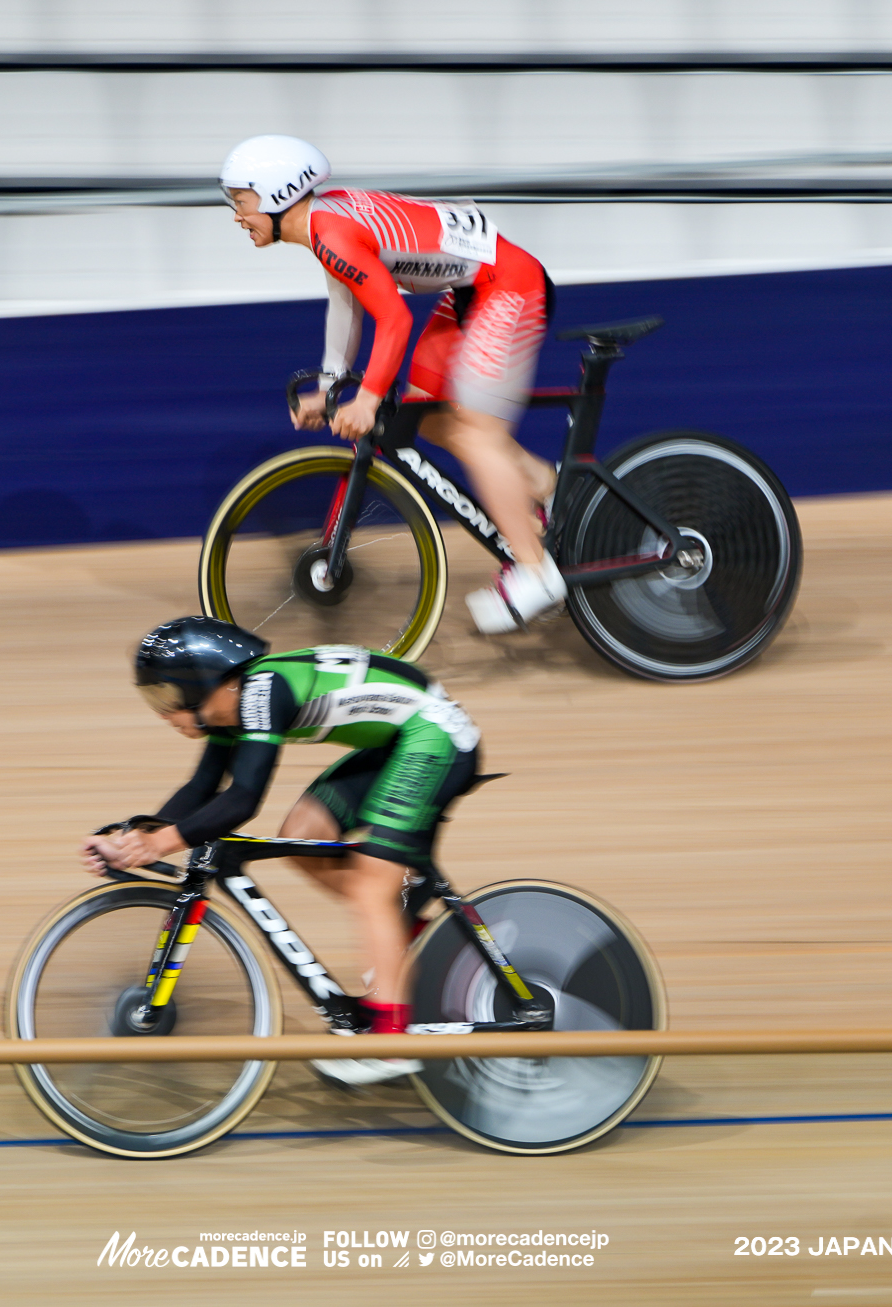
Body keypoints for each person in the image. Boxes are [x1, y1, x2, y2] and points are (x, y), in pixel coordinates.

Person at [79, 616, 483, 1088]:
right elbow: (202, 787)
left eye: (167, 697)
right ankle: (403, 936)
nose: (165, 714)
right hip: (399, 742)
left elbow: (243, 799)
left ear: (209, 683)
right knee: (304, 832)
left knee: (374, 881)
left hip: (434, 737)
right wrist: (132, 837)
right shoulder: (233, 703)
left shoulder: (261, 691)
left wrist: (160, 842)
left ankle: (391, 1044)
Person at [218, 134, 565, 634]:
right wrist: (332, 388)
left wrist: (369, 397)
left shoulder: (332, 232)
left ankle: (538, 573)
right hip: (474, 290)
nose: (236, 214)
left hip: (507, 285)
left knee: (475, 433)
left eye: (241, 200)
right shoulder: (325, 226)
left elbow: (395, 320)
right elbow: (346, 307)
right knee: (429, 419)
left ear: (277, 194)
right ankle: (551, 492)